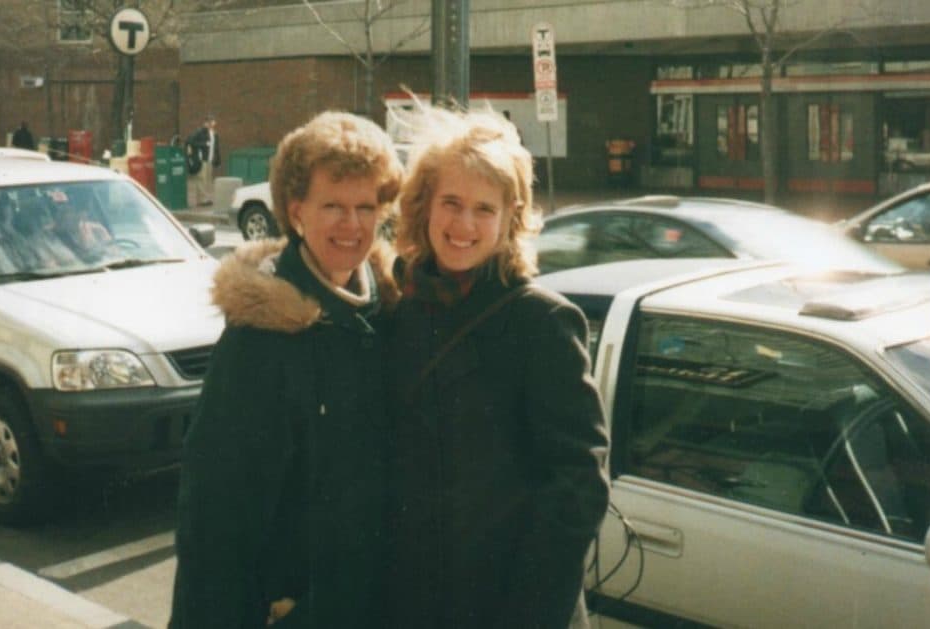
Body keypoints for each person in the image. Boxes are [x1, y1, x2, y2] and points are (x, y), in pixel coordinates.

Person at [170, 111, 403, 628]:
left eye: (366, 207)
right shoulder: (262, 337)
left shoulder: (392, 314)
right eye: (333, 207)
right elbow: (213, 518)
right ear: (296, 212)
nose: (353, 225)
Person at [387, 107, 609, 629]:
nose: (464, 225)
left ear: (512, 219)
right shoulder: (402, 309)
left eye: (484, 209)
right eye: (451, 203)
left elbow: (577, 491)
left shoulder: (541, 322)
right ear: (423, 208)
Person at [51, 198, 112, 263]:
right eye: (63, 212)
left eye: (74, 210)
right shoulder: (49, 238)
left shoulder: (98, 230)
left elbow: (114, 253)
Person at [186, 114, 221, 206]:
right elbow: (191, 141)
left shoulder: (214, 134)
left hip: (210, 159)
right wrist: (204, 144)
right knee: (201, 179)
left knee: (208, 180)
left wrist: (217, 159)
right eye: (210, 122)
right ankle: (202, 200)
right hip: (202, 159)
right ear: (206, 122)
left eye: (213, 122)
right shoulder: (200, 132)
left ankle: (206, 198)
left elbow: (215, 148)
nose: (212, 124)